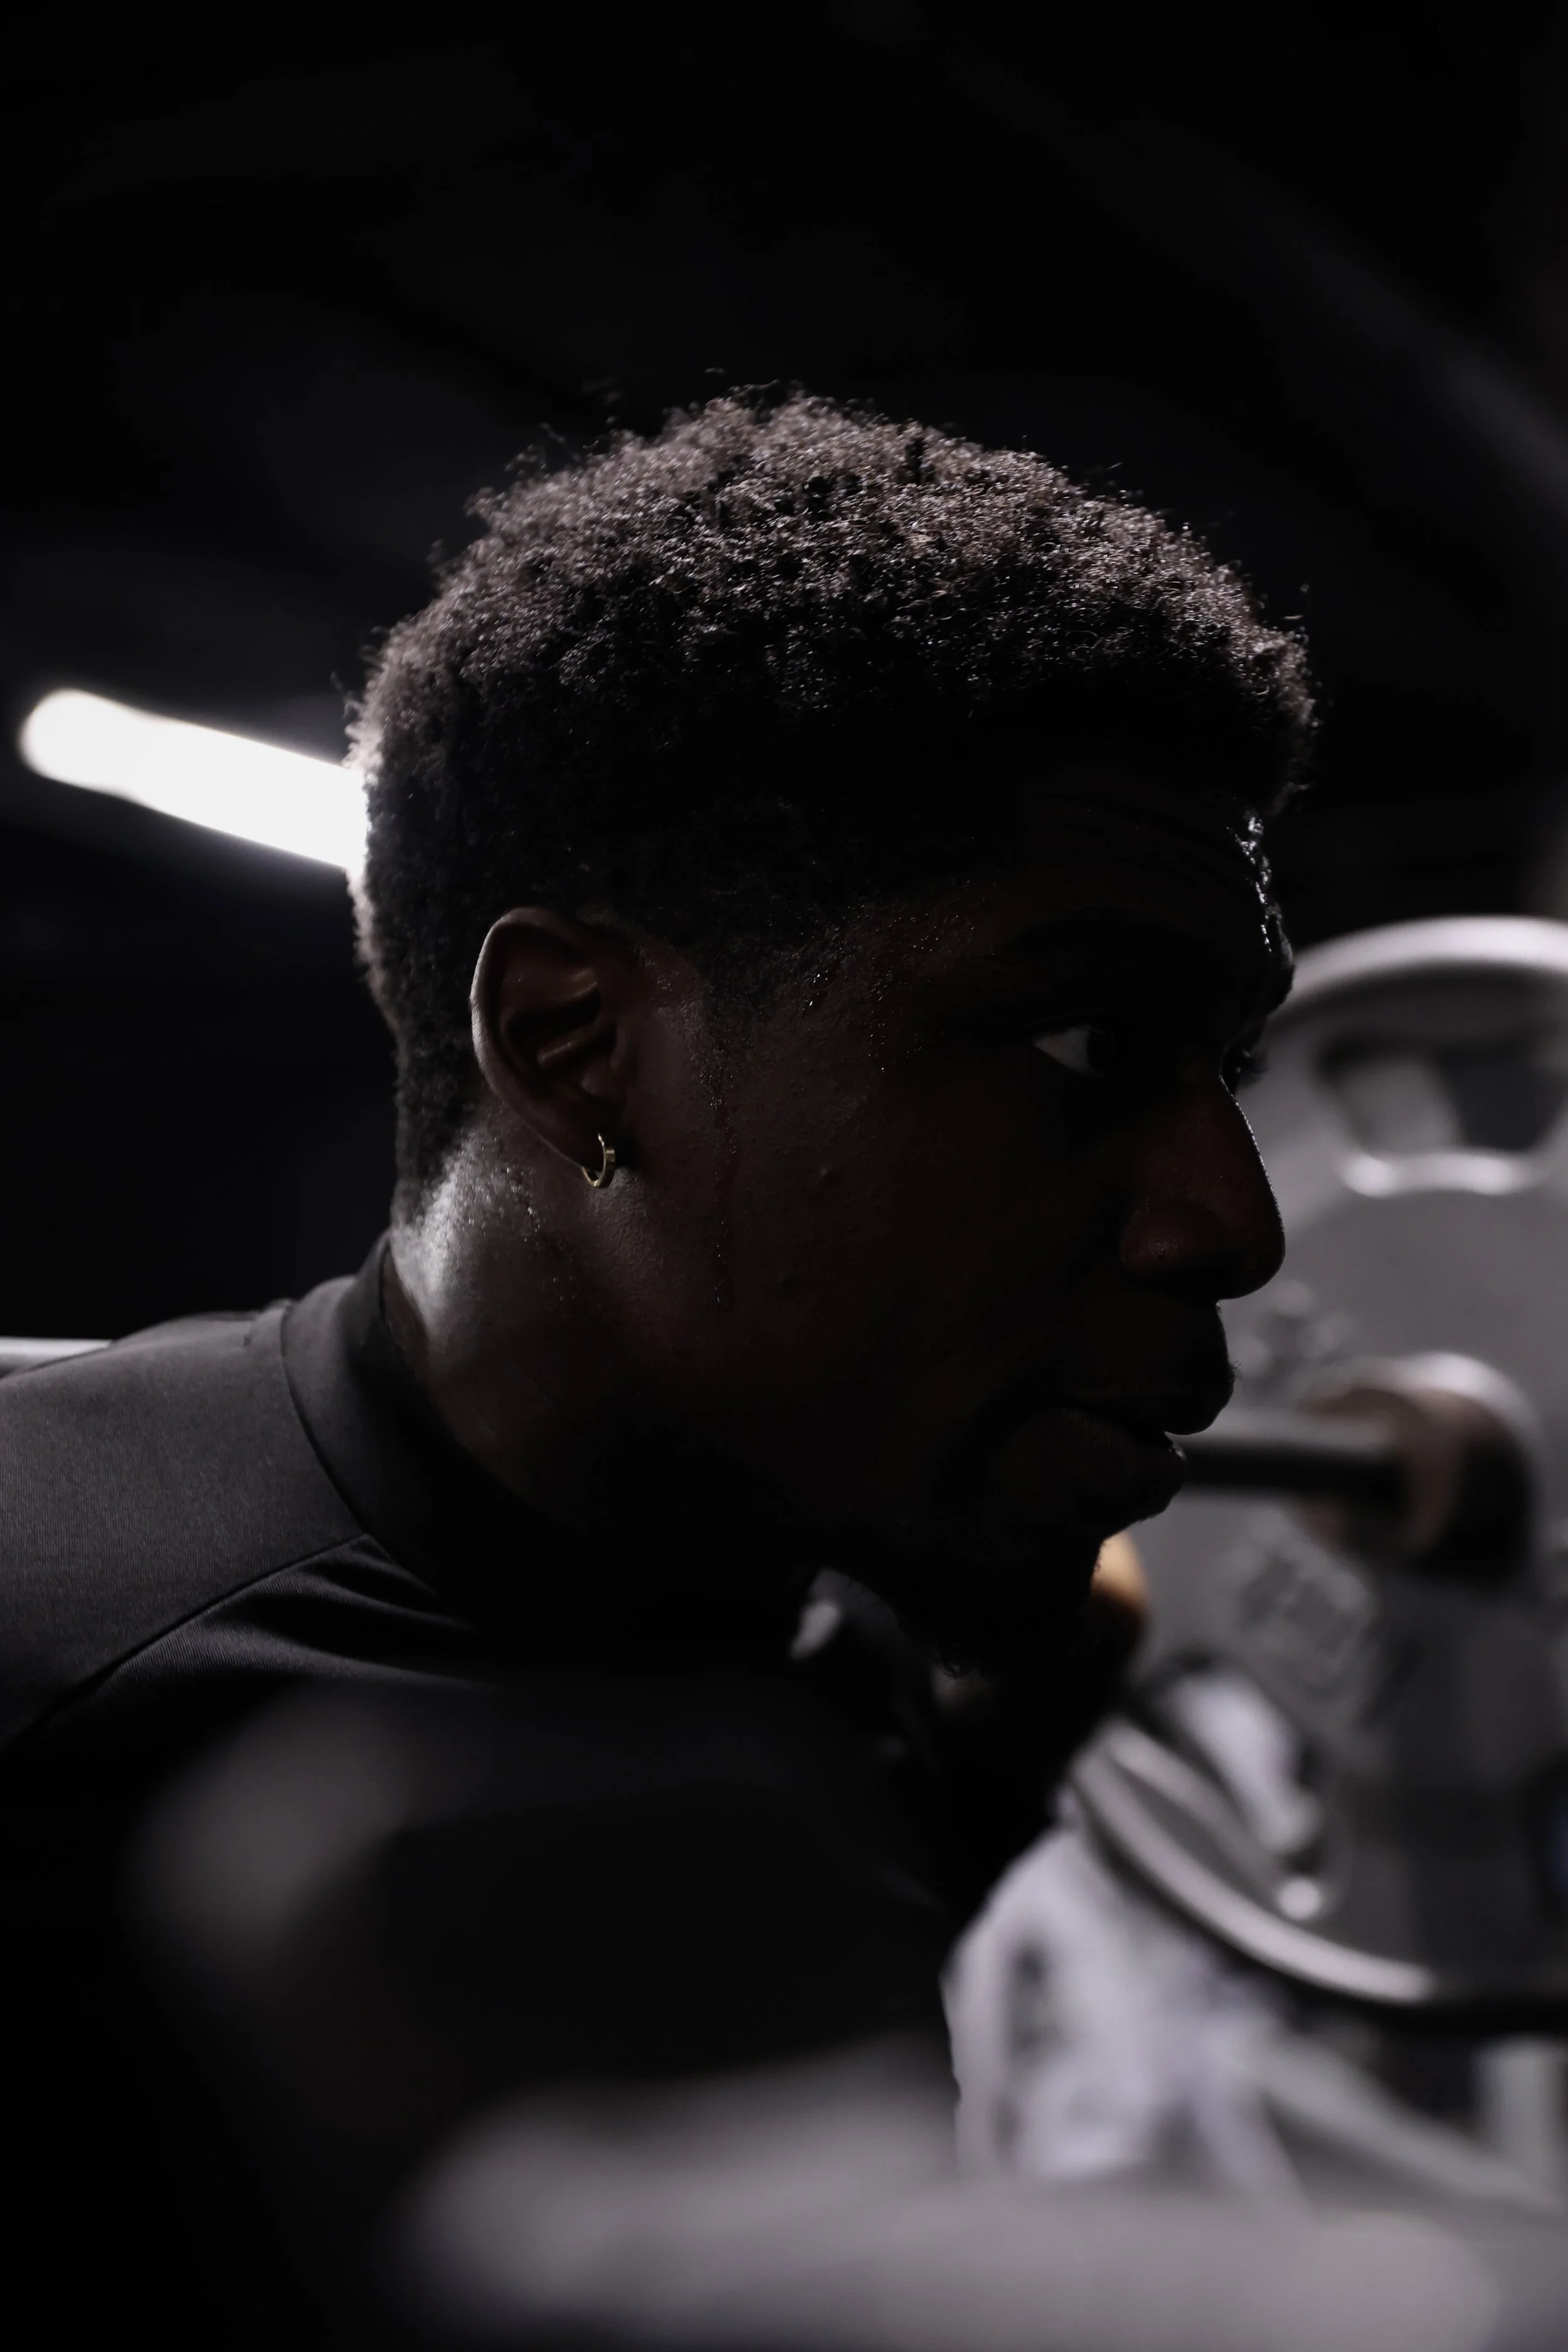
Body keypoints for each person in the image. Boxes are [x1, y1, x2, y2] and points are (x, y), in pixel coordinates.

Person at [0, 392, 1306, 2321]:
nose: (1233, 1219)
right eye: (1084, 1043)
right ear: (575, 1045)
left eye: (1228, 1069)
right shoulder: (51, 1634)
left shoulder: (846, 1621)